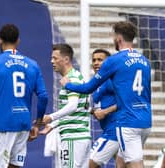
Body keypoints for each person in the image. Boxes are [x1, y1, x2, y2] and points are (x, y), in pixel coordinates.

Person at [61, 21, 152, 168]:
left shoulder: (114, 61)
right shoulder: (145, 61)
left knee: (135, 163)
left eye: (114, 37)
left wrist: (68, 84)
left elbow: (88, 88)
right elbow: (147, 93)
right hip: (146, 120)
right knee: (121, 163)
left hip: (127, 122)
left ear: (119, 39)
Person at [0, 24, 48, 168]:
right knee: (14, 165)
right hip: (23, 123)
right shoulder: (32, 64)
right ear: (18, 41)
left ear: (0, 40)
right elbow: (43, 96)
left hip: (3, 124)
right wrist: (37, 124)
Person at [39, 43, 91, 168]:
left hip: (73, 137)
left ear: (66, 59)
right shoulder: (76, 77)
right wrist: (53, 125)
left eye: (55, 58)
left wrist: (51, 117)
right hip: (80, 136)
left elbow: (72, 106)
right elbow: (77, 109)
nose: (52, 61)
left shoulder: (72, 79)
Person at [89, 49, 119, 168]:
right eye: (94, 60)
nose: (96, 63)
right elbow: (98, 107)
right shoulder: (97, 82)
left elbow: (126, 101)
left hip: (115, 129)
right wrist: (92, 110)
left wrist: (105, 112)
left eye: (100, 60)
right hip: (109, 128)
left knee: (89, 163)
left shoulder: (112, 79)